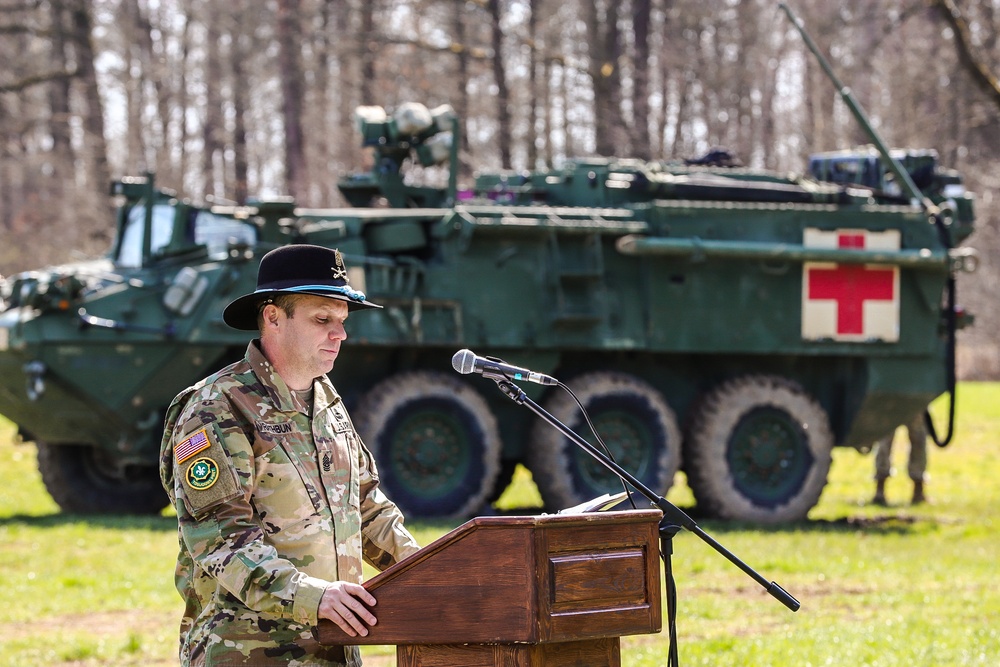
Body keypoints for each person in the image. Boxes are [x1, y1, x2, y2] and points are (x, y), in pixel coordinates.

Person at [159, 244, 421, 666]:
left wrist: (434, 570)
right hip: (248, 654)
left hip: (335, 649)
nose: (340, 334)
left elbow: (366, 509)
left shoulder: (326, 401)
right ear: (273, 317)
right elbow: (221, 539)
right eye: (322, 319)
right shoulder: (216, 408)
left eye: (342, 321)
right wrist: (313, 597)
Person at [872, 412, 928, 506]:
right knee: (884, 440)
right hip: (889, 402)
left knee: (919, 439)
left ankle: (918, 491)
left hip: (914, 401)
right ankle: (879, 491)